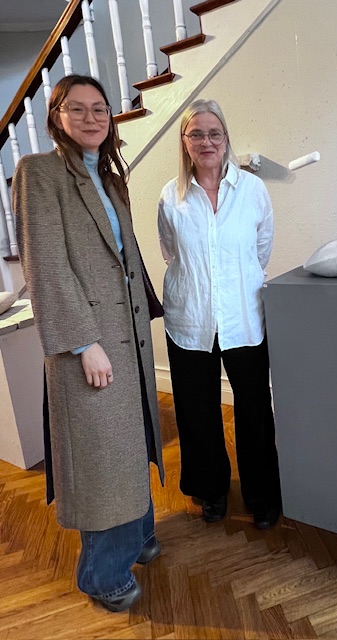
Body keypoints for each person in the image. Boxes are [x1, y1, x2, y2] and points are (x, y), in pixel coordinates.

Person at [13, 74, 165, 612]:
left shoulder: (108, 176)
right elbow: (46, 266)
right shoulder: (39, 172)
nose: (91, 117)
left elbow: (124, 257)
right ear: (56, 116)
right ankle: (103, 574)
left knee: (132, 442)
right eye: (76, 109)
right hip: (90, 344)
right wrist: (83, 343)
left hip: (128, 337)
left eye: (100, 108)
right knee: (103, 457)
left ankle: (139, 535)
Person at [158, 99, 282, 529]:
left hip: (243, 317)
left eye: (214, 133)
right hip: (189, 319)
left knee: (254, 409)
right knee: (197, 411)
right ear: (184, 142)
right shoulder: (170, 196)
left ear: (226, 138)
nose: (206, 141)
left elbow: (261, 249)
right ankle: (210, 489)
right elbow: (171, 252)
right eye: (196, 134)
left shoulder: (253, 190)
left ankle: (262, 494)